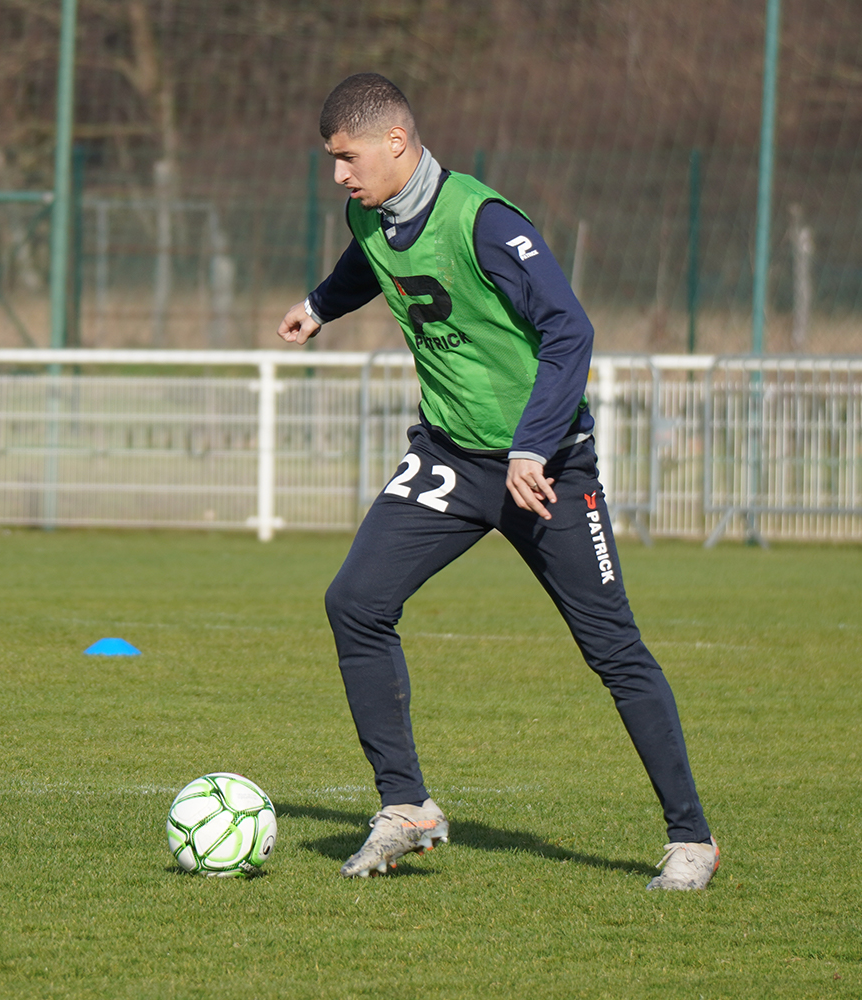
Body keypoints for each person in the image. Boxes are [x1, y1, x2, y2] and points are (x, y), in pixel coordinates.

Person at [277, 73, 719, 890]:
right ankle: (407, 807)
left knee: (612, 648)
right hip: (450, 456)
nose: (338, 174)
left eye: (347, 157)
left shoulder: (483, 221)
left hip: (543, 468)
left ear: (396, 145)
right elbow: (372, 262)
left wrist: (531, 447)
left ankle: (691, 838)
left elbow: (570, 331)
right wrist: (320, 304)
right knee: (356, 603)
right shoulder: (367, 214)